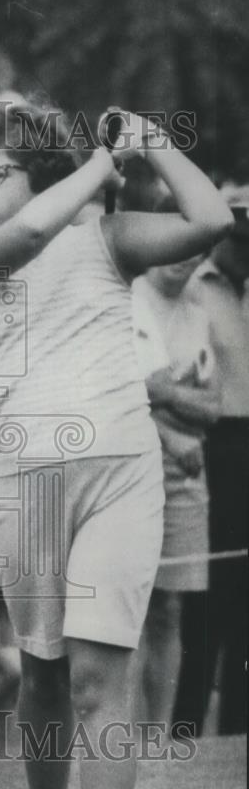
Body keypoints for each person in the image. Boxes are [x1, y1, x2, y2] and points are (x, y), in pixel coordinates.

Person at [0, 103, 233, 789]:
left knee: (103, 672)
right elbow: (32, 233)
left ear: (33, 170)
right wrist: (98, 173)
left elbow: (209, 217)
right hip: (26, 488)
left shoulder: (107, 238)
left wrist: (150, 143)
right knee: (40, 674)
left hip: (120, 477)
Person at [132, 259, 220, 729]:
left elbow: (211, 406)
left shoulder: (196, 313)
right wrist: (170, 432)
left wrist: (162, 394)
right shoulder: (124, 298)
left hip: (187, 474)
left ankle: (158, 737)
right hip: (133, 461)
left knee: (170, 606)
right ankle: (123, 732)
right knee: (132, 607)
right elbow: (121, 390)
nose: (181, 256)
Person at [174, 204, 249, 736]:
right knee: (206, 594)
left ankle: (238, 729)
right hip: (213, 442)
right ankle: (185, 726)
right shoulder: (193, 284)